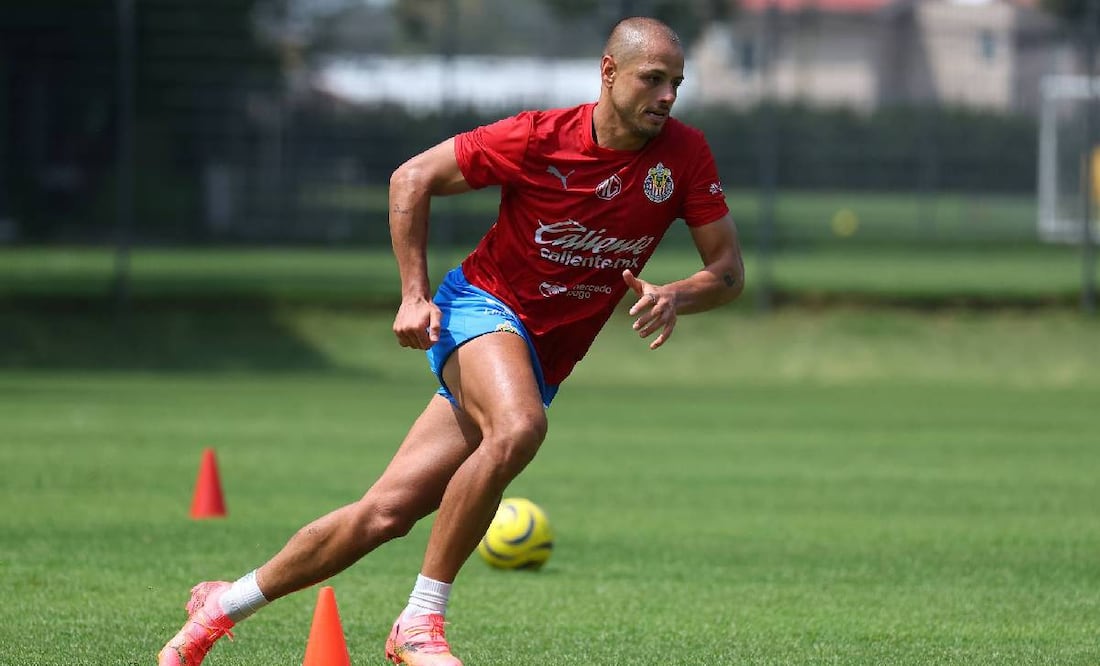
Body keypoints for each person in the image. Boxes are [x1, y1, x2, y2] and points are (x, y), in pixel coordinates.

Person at [157, 15, 744, 666]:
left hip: (537, 357)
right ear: (608, 73)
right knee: (519, 428)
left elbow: (727, 272)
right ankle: (419, 623)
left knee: (384, 515)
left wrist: (676, 295)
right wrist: (413, 294)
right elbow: (410, 178)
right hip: (481, 309)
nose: (667, 96)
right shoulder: (537, 138)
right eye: (652, 79)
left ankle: (218, 606)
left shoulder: (685, 156)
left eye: (677, 83)